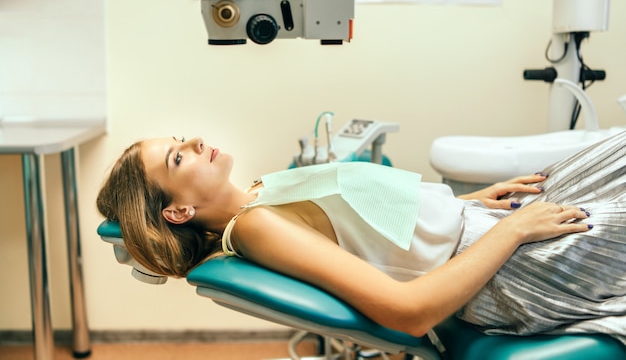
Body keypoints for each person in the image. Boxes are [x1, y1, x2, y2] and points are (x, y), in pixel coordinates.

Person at [97, 129, 626, 344]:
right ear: (178, 211)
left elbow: (375, 223)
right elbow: (407, 311)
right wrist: (512, 229)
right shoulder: (254, 227)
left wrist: (464, 202)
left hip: (487, 231)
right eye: (177, 157)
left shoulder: (260, 193)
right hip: (504, 270)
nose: (193, 140)